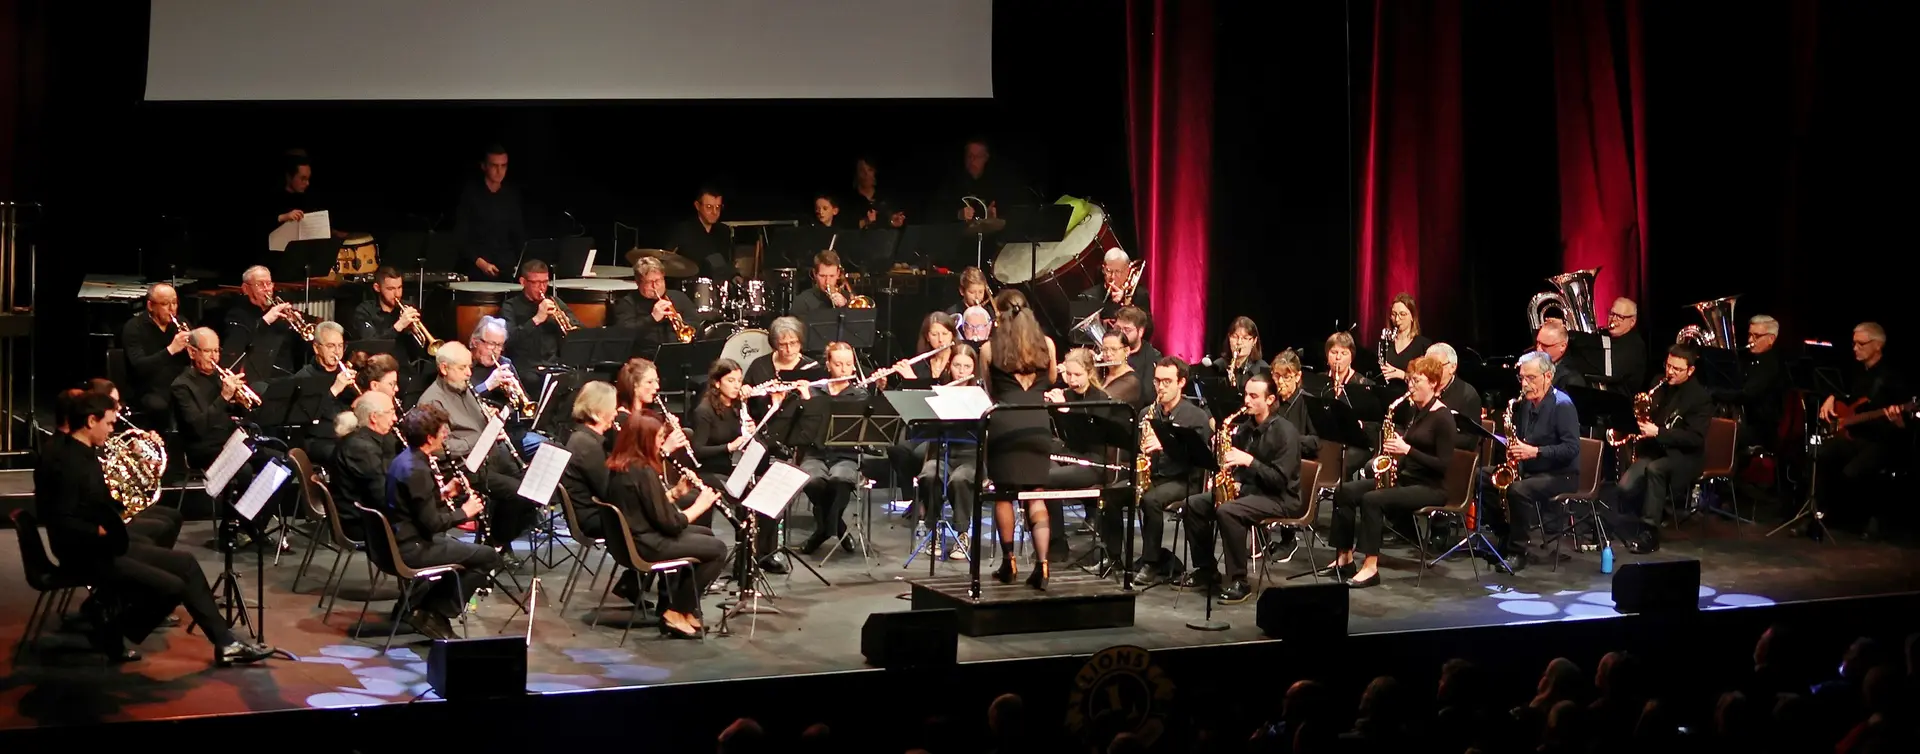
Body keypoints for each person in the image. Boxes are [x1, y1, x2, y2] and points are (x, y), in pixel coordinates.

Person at [37, 390, 277, 665]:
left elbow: (98, 503)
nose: (112, 429)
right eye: (109, 423)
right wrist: (101, 531)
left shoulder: (85, 452)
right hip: (86, 552)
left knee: (185, 563)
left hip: (106, 544)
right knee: (171, 587)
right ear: (91, 421)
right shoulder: (66, 461)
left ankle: (226, 643)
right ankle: (108, 626)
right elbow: (62, 521)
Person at [1324, 356, 1457, 588]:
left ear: (1434, 383)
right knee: (1345, 491)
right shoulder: (1414, 411)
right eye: (1410, 381)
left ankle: (1370, 567)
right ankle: (1344, 557)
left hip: (1431, 487)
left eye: (1417, 381)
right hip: (1405, 479)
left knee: (1372, 500)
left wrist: (1407, 449)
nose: (1411, 387)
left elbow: (1443, 465)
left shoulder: (1443, 418)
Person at [378, 404, 501, 640]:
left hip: (401, 540)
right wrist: (465, 512)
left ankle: (422, 608)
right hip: (412, 549)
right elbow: (432, 524)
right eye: (442, 431)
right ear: (429, 438)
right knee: (487, 556)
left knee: (465, 551)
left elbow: (414, 506)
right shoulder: (417, 469)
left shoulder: (405, 459)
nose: (445, 435)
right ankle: (433, 613)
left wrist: (444, 493)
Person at [604, 412, 728, 639]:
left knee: (705, 533)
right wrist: (701, 505)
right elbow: (671, 524)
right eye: (659, 437)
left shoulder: (624, 465)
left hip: (635, 538)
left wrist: (677, 493)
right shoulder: (642, 471)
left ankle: (685, 609)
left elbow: (646, 507)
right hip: (647, 544)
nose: (662, 442)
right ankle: (676, 611)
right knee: (718, 549)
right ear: (644, 439)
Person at [1180, 372, 1302, 602]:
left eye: (1254, 396)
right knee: (1193, 504)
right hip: (1250, 492)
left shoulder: (1286, 433)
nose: (1246, 400)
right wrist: (1230, 475)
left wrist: (1249, 461)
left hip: (1281, 498)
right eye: (1246, 394)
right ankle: (1207, 569)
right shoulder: (1245, 428)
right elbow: (1236, 466)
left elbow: (1280, 481)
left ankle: (1239, 580)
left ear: (1270, 399)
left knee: (1228, 511)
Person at [415, 342, 534, 551]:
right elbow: (437, 447)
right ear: (444, 368)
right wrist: (480, 438)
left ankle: (499, 540)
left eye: (469, 367)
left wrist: (491, 420)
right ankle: (495, 543)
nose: (469, 373)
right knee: (518, 494)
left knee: (533, 487)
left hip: (490, 458)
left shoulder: (466, 389)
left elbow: (476, 424)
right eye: (462, 368)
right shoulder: (431, 401)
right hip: (464, 468)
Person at [978, 289, 1058, 589]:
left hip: (1005, 423)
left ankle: (1009, 562)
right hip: (1036, 423)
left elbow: (990, 389)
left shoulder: (989, 349)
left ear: (999, 315)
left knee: (1004, 494)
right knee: (1035, 493)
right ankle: (1043, 566)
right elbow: (1050, 379)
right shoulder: (1047, 345)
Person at [1482, 351, 1582, 571]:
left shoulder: (1562, 405)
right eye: (1522, 378)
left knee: (1518, 490)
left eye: (1531, 378)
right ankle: (1504, 534)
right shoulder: (1526, 403)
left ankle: (1519, 552)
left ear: (1548, 377)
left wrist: (1535, 452)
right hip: (1532, 467)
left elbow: (1572, 448)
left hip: (1561, 474)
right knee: (1482, 477)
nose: (1525, 384)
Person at [1614, 345, 1715, 553]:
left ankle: (1650, 533)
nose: (1670, 372)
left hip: (1685, 457)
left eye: (1677, 369)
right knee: (1625, 487)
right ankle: (1655, 513)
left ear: (1690, 371)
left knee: (1656, 470)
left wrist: (1658, 432)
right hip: (1655, 450)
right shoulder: (1659, 384)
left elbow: (1695, 438)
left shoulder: (1700, 398)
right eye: (1668, 366)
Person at [1124, 355, 1213, 587]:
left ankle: (1151, 563)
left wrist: (1164, 445)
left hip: (1184, 479)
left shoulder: (1196, 417)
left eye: (1166, 382)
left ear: (1181, 383)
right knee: (1116, 492)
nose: (1160, 387)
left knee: (1151, 500)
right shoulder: (1147, 413)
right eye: (1157, 381)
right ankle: (1115, 556)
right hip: (1155, 476)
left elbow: (1199, 458)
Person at [1815, 322, 1909, 535]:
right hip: (1854, 437)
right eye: (1854, 343)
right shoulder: (1856, 372)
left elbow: (1905, 426)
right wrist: (1832, 397)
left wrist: (1898, 420)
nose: (1855, 348)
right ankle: (1819, 515)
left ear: (1877, 346)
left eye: (1861, 344)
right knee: (1822, 454)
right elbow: (1845, 395)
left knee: (1852, 473)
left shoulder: (1893, 377)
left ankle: (1873, 519)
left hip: (1882, 441)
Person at [690, 359, 782, 571]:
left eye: (739, 380)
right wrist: (728, 447)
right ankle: (744, 563)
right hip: (708, 472)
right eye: (730, 380)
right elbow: (697, 451)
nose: (736, 385)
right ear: (716, 383)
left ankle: (761, 556)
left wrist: (749, 430)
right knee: (748, 505)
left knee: (766, 500)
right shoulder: (704, 411)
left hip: (730, 469)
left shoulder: (737, 406)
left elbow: (744, 440)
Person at [68, 383, 184, 549]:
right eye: (113, 404)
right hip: (97, 544)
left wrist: (141, 462)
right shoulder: (74, 457)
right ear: (93, 418)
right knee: (170, 542)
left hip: (110, 522)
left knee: (170, 521)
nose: (118, 409)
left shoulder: (91, 446)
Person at [794, 342, 869, 554]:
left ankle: (822, 532)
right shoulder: (813, 391)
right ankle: (837, 527)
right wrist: (806, 401)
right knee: (812, 480)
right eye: (838, 364)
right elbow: (804, 430)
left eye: (848, 364)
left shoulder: (860, 396)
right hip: (815, 453)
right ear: (828, 365)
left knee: (840, 480)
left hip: (845, 455)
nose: (844, 369)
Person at [915, 343, 982, 561]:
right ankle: (933, 530)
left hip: (971, 458)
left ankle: (962, 532)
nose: (961, 371)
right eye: (957, 365)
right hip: (943, 453)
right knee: (929, 474)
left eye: (966, 366)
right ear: (949, 367)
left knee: (960, 479)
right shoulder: (939, 394)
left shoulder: (980, 395)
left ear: (974, 369)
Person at [499, 259, 579, 395]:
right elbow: (509, 341)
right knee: (535, 382)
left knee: (577, 379)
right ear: (523, 282)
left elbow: (577, 328)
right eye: (536, 283)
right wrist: (537, 319)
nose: (542, 288)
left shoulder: (554, 302)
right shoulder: (510, 306)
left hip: (554, 365)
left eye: (545, 282)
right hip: (526, 367)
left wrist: (567, 326)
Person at [1714, 314, 1789, 453]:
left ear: (1771, 339)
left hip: (1762, 430)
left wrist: (1716, 393)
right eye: (1749, 335)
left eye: (1756, 336)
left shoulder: (1772, 364)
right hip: (1748, 423)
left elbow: (1747, 393)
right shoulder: (1749, 359)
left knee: (1717, 434)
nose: (1750, 340)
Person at [331, 390, 401, 540]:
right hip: (361, 523)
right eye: (390, 412)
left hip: (366, 515)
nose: (395, 418)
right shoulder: (362, 449)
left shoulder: (364, 440)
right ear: (374, 417)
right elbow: (382, 497)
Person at [454, 143, 527, 281]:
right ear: (484, 166)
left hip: (505, 268)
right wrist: (481, 263)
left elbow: (518, 235)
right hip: (477, 269)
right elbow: (460, 238)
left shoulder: (511, 195)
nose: (499, 171)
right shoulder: (470, 195)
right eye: (494, 166)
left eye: (503, 166)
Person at [292, 321, 362, 461]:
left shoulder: (345, 373)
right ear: (317, 348)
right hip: (319, 438)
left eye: (340, 346)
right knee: (348, 456)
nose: (337, 351)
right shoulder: (304, 377)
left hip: (349, 434)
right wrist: (334, 390)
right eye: (331, 346)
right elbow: (308, 417)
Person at [120, 282, 191, 419]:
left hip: (179, 384)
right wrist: (171, 350)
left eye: (175, 303)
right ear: (150, 306)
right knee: (160, 405)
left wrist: (195, 349)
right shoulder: (134, 327)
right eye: (165, 304)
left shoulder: (182, 323)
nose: (172, 309)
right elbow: (139, 366)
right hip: (147, 388)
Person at [222, 265, 305, 379]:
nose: (267, 289)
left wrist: (297, 325)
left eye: (269, 283)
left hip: (285, 375)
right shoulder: (237, 314)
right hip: (256, 379)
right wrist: (265, 321)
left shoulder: (280, 312)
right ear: (246, 288)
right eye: (260, 284)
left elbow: (297, 350)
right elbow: (238, 350)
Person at [559, 381, 617, 539]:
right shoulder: (586, 445)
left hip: (599, 513)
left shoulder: (584, 437)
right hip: (597, 518)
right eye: (612, 408)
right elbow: (609, 492)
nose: (615, 414)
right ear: (600, 410)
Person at [610, 254, 701, 353]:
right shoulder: (627, 303)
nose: (655, 286)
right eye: (649, 282)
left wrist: (682, 322)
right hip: (644, 358)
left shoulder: (679, 297)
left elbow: (696, 324)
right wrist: (652, 318)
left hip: (678, 353)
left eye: (658, 280)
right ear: (638, 283)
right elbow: (623, 334)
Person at [350, 266, 427, 363]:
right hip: (378, 369)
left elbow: (421, 354)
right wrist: (398, 326)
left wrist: (414, 332)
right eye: (391, 289)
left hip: (404, 368)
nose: (397, 294)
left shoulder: (408, 307)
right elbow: (370, 346)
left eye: (400, 287)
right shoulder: (364, 311)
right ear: (377, 288)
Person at [666, 185, 735, 280]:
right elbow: (667, 259)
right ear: (697, 206)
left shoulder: (724, 231)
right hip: (690, 286)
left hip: (719, 286)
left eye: (718, 207)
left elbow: (727, 263)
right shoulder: (683, 230)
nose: (714, 212)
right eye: (709, 207)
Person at [1427, 343, 1483, 451]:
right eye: (1428, 366)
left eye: (1437, 366)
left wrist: (1433, 438)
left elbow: (1469, 441)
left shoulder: (1468, 395)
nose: (1432, 371)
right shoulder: (1421, 389)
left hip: (1452, 460)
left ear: (1452, 367)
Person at [1378, 294, 1433, 382]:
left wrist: (1402, 375)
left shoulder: (1423, 344)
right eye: (1394, 314)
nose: (1397, 319)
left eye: (1402, 314)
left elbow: (1428, 379)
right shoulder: (1385, 343)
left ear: (1412, 316)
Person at [1601, 298, 1649, 396]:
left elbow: (1614, 373)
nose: (1613, 319)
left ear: (1632, 322)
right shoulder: (1603, 335)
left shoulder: (1635, 346)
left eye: (1620, 317)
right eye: (1612, 314)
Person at [788, 249, 856, 317]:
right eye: (822, 276)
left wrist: (845, 306)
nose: (827, 281)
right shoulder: (802, 301)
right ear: (814, 274)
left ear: (838, 274)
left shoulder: (848, 298)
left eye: (832, 276)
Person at [850, 155, 906, 229]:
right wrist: (865, 222)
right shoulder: (850, 201)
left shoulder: (885, 199)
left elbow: (889, 225)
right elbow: (846, 227)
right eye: (861, 170)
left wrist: (893, 222)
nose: (866, 174)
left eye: (870, 170)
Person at [1534, 321, 1589, 391]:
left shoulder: (1572, 380)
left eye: (1544, 345)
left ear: (1562, 346)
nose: (1538, 349)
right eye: (1538, 343)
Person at [1219, 316, 1269, 391]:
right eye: (1235, 337)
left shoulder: (1263, 369)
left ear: (1254, 341)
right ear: (1229, 337)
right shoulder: (1218, 366)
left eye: (1245, 338)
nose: (1239, 342)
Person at [1100, 330, 1144, 409]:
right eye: (1105, 349)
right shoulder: (1101, 372)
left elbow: (1102, 402)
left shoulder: (1131, 381)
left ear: (1126, 351)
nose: (1108, 354)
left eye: (1114, 349)